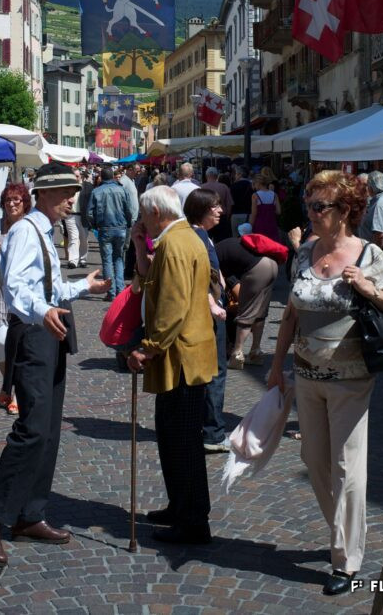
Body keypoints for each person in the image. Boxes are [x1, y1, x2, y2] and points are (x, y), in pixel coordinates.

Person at [267, 171, 383, 596]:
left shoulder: (368, 254)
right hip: (308, 375)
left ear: (346, 211)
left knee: (348, 468)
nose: (310, 212)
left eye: (319, 206)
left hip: (351, 378)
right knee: (315, 461)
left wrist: (367, 287)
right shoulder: (306, 251)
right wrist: (277, 366)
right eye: (309, 204)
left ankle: (345, 560)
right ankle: (343, 534)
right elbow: (291, 313)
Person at [0, 162, 110, 567]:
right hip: (33, 335)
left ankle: (29, 514)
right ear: (43, 194)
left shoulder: (43, 232)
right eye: (65, 192)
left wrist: (84, 286)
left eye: (72, 192)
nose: (71, 200)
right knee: (31, 429)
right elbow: (13, 287)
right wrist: (42, 309)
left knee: (47, 430)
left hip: (49, 332)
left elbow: (49, 286)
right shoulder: (27, 232)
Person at [128, 186, 217, 544]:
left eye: (143, 216)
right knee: (171, 435)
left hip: (181, 358)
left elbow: (173, 305)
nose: (142, 222)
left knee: (182, 441)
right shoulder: (178, 238)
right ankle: (180, 505)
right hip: (181, 355)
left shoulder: (176, 243)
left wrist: (148, 347)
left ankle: (193, 519)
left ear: (155, 213)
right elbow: (152, 281)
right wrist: (139, 247)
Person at [184, 188, 230, 454]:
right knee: (215, 372)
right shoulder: (197, 238)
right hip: (210, 314)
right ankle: (212, 433)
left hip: (213, 309)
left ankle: (205, 427)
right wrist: (212, 303)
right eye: (215, 206)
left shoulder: (202, 236)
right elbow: (197, 277)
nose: (220, 210)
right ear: (201, 209)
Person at [0, 182, 32, 415]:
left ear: (24, 203)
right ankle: (7, 384)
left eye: (16, 200)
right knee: (1, 342)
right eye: (8, 200)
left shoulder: (31, 226)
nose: (12, 204)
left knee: (21, 344)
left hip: (24, 291)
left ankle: (17, 394)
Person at [216, 233, 279, 369]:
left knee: (246, 314)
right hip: (272, 265)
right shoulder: (223, 248)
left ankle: (236, 355)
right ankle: (255, 353)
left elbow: (226, 285)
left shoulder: (213, 259)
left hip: (258, 268)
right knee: (260, 313)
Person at [88, 165, 132, 300]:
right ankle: (119, 290)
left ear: (101, 177)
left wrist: (95, 225)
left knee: (107, 260)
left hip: (105, 228)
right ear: (113, 177)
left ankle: (111, 292)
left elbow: (90, 213)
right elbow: (128, 210)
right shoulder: (121, 190)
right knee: (118, 258)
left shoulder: (96, 191)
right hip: (120, 228)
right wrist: (128, 224)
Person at [202, 167, 233, 241]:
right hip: (221, 217)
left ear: (206, 176)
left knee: (206, 242)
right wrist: (227, 217)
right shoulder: (224, 187)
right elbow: (229, 204)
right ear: (217, 176)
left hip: (206, 218)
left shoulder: (201, 187)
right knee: (221, 242)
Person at [250, 169, 280, 241]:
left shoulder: (255, 195)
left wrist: (250, 226)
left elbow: (254, 214)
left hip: (259, 225)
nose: (254, 186)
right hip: (272, 224)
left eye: (254, 183)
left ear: (258, 183)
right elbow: (278, 212)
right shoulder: (274, 195)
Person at [230, 165, 253, 236]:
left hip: (235, 214)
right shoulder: (252, 185)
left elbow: (231, 202)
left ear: (239, 174)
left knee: (235, 236)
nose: (235, 176)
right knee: (248, 237)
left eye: (236, 174)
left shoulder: (233, 186)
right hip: (248, 214)